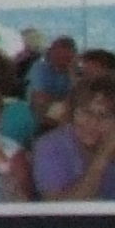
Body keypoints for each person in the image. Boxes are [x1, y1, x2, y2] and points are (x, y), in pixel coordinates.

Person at [26, 71, 115, 205]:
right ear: (72, 113)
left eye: (104, 116)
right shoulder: (50, 147)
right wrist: (102, 157)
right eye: (86, 112)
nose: (93, 123)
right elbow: (61, 210)